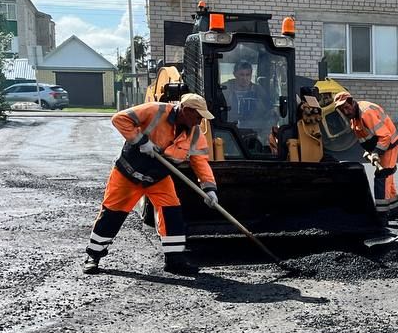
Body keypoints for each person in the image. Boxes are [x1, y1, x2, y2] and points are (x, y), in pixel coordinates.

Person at [84, 93, 218, 277]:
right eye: (198, 116)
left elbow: (200, 162)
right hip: (128, 174)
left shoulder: (194, 133)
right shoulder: (156, 110)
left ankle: (174, 260)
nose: (200, 120)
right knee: (111, 214)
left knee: (172, 214)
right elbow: (119, 119)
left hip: (158, 178)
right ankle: (93, 256)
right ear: (186, 111)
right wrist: (141, 141)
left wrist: (209, 189)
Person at [333, 90, 398, 222]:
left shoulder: (366, 113)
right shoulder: (354, 119)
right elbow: (365, 137)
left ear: (352, 102)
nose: (345, 111)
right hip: (381, 145)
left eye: (346, 107)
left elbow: (385, 136)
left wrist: (376, 152)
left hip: (389, 144)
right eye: (341, 109)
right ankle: (397, 211)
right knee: (387, 177)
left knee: (382, 176)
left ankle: (381, 215)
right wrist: (369, 151)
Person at [221, 61, 270, 133]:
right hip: (230, 129)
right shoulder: (225, 89)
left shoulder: (258, 90)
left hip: (255, 130)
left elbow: (269, 111)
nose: (245, 78)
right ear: (235, 74)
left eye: (247, 75)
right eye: (242, 75)